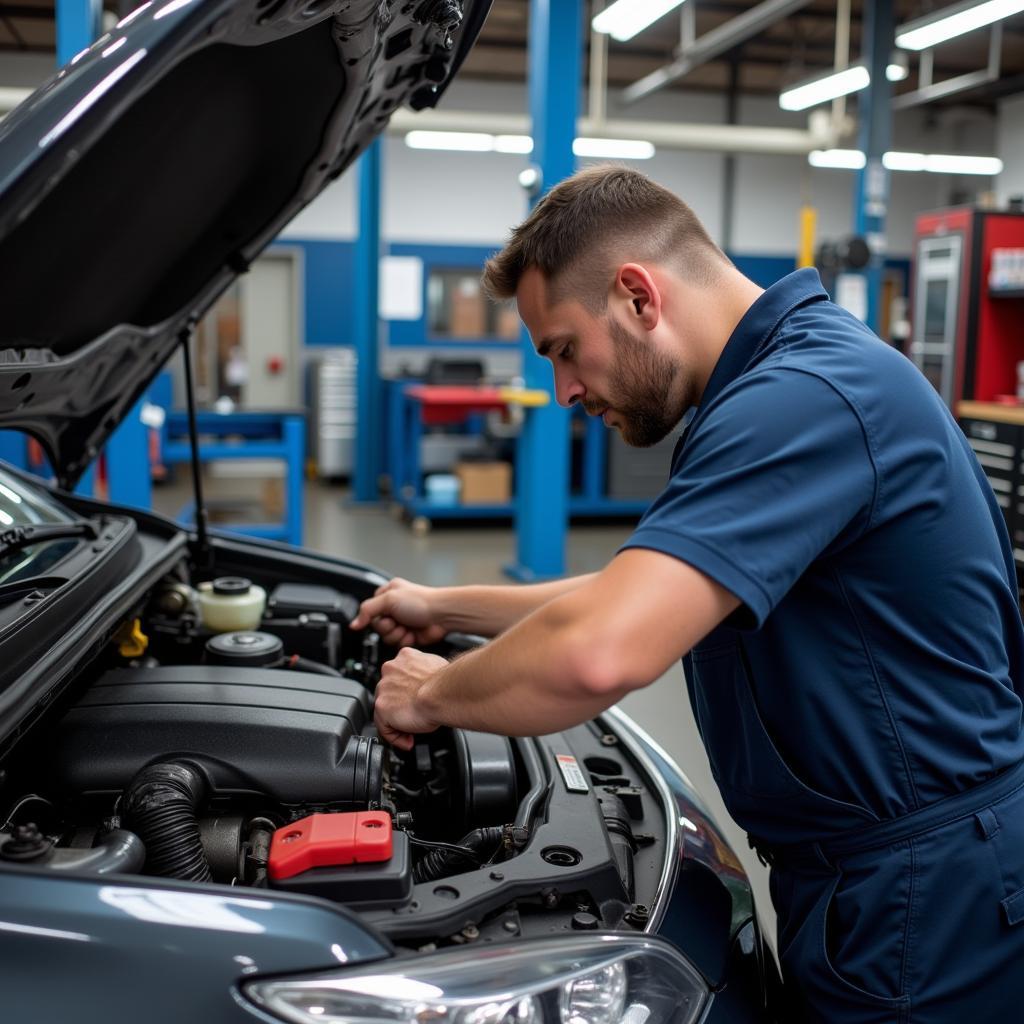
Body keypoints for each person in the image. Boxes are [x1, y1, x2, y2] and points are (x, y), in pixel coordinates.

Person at [351, 166, 1024, 1022]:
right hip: (891, 875)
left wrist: (432, 694)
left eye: (563, 349)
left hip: (925, 899)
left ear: (637, 295)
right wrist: (446, 608)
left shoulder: (800, 401)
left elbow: (602, 649)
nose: (562, 391)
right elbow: (649, 591)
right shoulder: (786, 383)